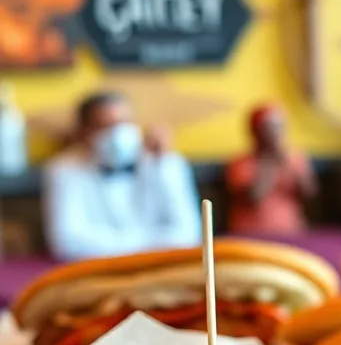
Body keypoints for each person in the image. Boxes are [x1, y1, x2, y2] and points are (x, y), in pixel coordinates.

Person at [42, 91, 201, 261]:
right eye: (104, 126)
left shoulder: (167, 163)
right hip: (97, 273)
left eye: (124, 123)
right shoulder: (63, 170)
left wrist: (161, 164)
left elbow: (189, 234)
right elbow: (67, 241)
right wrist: (150, 243)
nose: (117, 133)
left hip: (163, 268)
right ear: (82, 133)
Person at [224, 103, 315, 235]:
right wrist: (268, 160)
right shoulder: (240, 163)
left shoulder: (294, 157)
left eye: (280, 126)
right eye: (270, 127)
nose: (277, 132)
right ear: (256, 131)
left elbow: (309, 195)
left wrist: (288, 162)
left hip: (292, 232)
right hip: (250, 234)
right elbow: (254, 198)